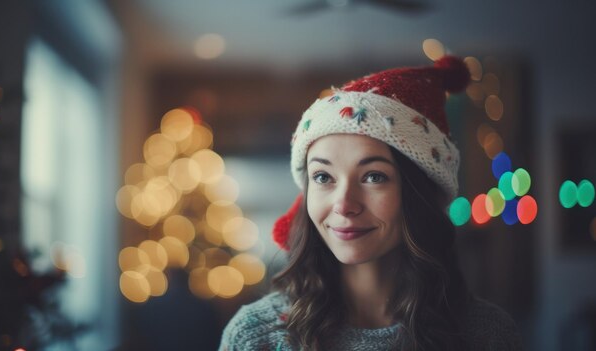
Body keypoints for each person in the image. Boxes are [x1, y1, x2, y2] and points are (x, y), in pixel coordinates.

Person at [218, 56, 523, 351]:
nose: (344, 205)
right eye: (323, 177)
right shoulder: (256, 337)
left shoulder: (485, 335)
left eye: (374, 177)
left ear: (418, 193)